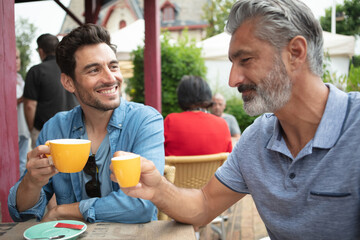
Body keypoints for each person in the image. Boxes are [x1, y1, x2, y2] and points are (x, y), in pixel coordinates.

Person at [112, 0, 360, 239]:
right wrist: (158, 188)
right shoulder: (256, 138)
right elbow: (205, 204)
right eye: (233, 63)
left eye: (246, 60)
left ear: (295, 53)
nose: (233, 80)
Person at [8, 23, 165, 223]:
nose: (111, 78)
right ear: (68, 82)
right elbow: (21, 213)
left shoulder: (144, 121)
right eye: (94, 70)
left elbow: (142, 206)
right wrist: (31, 181)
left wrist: (64, 211)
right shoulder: (56, 128)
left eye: (113, 66)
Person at [23, 33, 78, 149]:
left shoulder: (36, 71)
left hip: (46, 132)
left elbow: (29, 105)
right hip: (76, 129)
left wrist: (31, 129)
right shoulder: (71, 69)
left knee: (45, 166)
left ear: (41, 51)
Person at [164, 75, 232, 156]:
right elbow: (229, 160)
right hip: (215, 169)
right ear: (208, 95)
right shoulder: (222, 124)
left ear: (181, 96)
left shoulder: (171, 121)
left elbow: (159, 156)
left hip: (178, 169)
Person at [16, 47, 30, 176]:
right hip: (10, 129)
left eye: (17, 58)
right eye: (13, 58)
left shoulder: (20, 79)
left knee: (22, 161)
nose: (16, 61)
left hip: (23, 127)